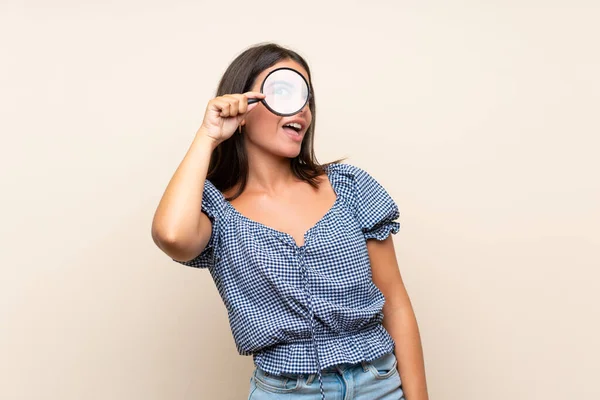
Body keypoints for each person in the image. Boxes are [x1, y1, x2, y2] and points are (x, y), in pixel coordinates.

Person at [151, 43, 429, 400]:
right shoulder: (215, 210)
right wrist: (208, 134)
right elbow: (172, 235)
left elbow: (396, 303)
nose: (301, 109)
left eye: (307, 98)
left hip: (380, 385)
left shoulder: (349, 186)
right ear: (243, 104)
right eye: (284, 91)